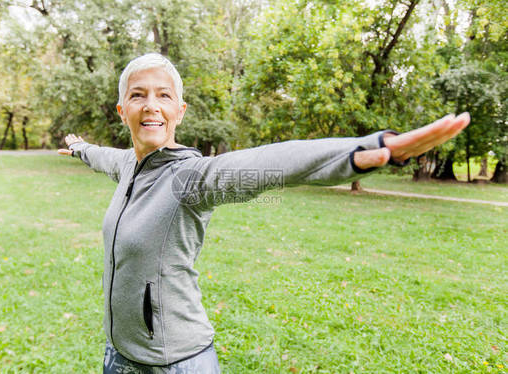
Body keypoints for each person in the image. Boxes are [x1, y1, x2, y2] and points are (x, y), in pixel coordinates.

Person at [58, 53, 470, 373]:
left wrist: (361, 151)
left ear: (180, 111)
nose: (151, 105)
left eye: (164, 95)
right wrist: (79, 148)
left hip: (176, 361)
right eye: (138, 94)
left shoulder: (191, 178)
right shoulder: (127, 165)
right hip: (120, 353)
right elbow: (103, 156)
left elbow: (268, 162)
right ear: (122, 110)